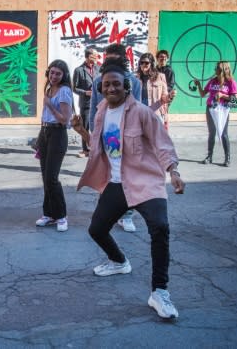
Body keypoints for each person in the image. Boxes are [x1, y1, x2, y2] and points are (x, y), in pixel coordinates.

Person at [72, 56, 185, 320]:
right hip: (116, 182)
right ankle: (119, 261)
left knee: (160, 227)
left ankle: (160, 292)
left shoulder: (143, 113)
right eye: (107, 85)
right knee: (96, 229)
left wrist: (174, 172)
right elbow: (101, 147)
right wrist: (81, 133)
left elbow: (163, 144)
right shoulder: (100, 111)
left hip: (145, 182)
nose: (111, 88)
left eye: (116, 85)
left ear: (126, 87)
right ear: (101, 88)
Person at [89, 43, 142, 233]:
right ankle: (105, 213)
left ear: (123, 59)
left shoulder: (134, 83)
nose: (109, 62)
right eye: (107, 58)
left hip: (127, 139)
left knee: (128, 178)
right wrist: (92, 136)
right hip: (105, 136)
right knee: (106, 176)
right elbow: (94, 108)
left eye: (113, 59)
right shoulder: (98, 81)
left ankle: (127, 216)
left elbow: (138, 111)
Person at [35, 59, 73, 232]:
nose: (54, 76)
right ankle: (49, 214)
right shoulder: (49, 89)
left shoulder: (64, 91)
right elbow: (45, 117)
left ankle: (61, 216)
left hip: (58, 133)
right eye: (52, 72)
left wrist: (50, 105)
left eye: (58, 73)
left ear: (64, 75)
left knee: (52, 177)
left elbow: (65, 119)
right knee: (45, 176)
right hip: (45, 133)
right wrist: (39, 138)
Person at [194, 61, 237, 167]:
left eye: (217, 68)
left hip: (223, 110)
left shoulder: (231, 82)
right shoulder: (213, 81)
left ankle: (227, 158)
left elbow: (235, 100)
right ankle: (209, 156)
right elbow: (203, 93)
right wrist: (199, 85)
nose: (215, 69)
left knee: (224, 133)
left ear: (223, 69)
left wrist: (222, 95)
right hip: (210, 109)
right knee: (211, 133)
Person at [72, 47, 98, 158]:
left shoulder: (99, 69)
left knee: (97, 127)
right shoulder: (79, 70)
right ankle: (85, 149)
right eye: (94, 56)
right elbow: (74, 88)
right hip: (86, 104)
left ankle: (97, 148)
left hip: (98, 103)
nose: (96, 58)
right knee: (85, 126)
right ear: (88, 56)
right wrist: (85, 93)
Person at [136, 52, 175, 124]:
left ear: (151, 64)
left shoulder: (160, 77)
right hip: (140, 114)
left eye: (146, 63)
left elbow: (164, 98)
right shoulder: (135, 78)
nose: (144, 64)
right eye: (142, 62)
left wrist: (170, 96)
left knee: (156, 135)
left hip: (155, 113)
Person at [156, 50, 176, 130]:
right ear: (157, 58)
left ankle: (164, 132)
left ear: (167, 59)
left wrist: (161, 92)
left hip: (165, 97)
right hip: (155, 96)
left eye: (165, 57)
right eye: (161, 57)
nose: (163, 58)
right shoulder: (154, 70)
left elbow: (171, 85)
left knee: (164, 115)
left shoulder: (169, 70)